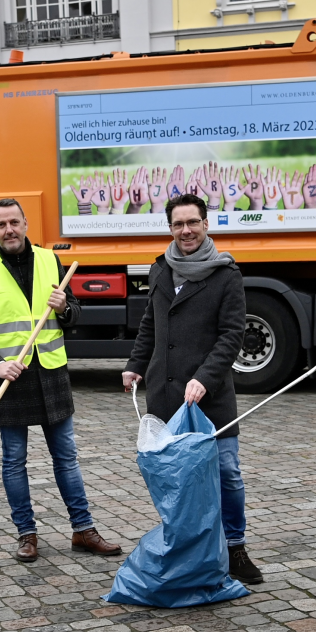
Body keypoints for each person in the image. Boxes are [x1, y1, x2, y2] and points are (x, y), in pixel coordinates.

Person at [0, 198, 124, 562]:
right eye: (0, 225)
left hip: (51, 376)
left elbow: (75, 315)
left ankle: (83, 530)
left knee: (66, 458)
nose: (9, 230)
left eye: (14, 222)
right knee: (14, 461)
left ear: (26, 223)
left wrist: (65, 307)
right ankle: (26, 534)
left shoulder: (51, 260)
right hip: (11, 379)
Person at [123, 193, 262, 584]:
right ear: (170, 228)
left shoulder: (226, 275)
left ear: (206, 224)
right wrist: (135, 365)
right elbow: (150, 324)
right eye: (178, 224)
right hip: (167, 397)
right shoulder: (160, 270)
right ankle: (187, 548)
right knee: (178, 478)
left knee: (226, 472)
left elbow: (232, 335)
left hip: (211, 397)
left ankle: (235, 548)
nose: (186, 230)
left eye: (193, 222)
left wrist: (204, 377)